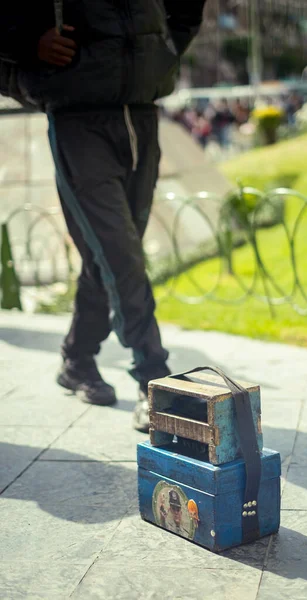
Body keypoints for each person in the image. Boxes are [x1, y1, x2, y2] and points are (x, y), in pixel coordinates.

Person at [1, 1, 207, 432]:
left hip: (142, 115)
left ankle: (76, 359)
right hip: (78, 120)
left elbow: (184, 11)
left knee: (109, 254)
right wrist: (25, 51)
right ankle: (154, 379)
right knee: (120, 253)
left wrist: (162, 51)